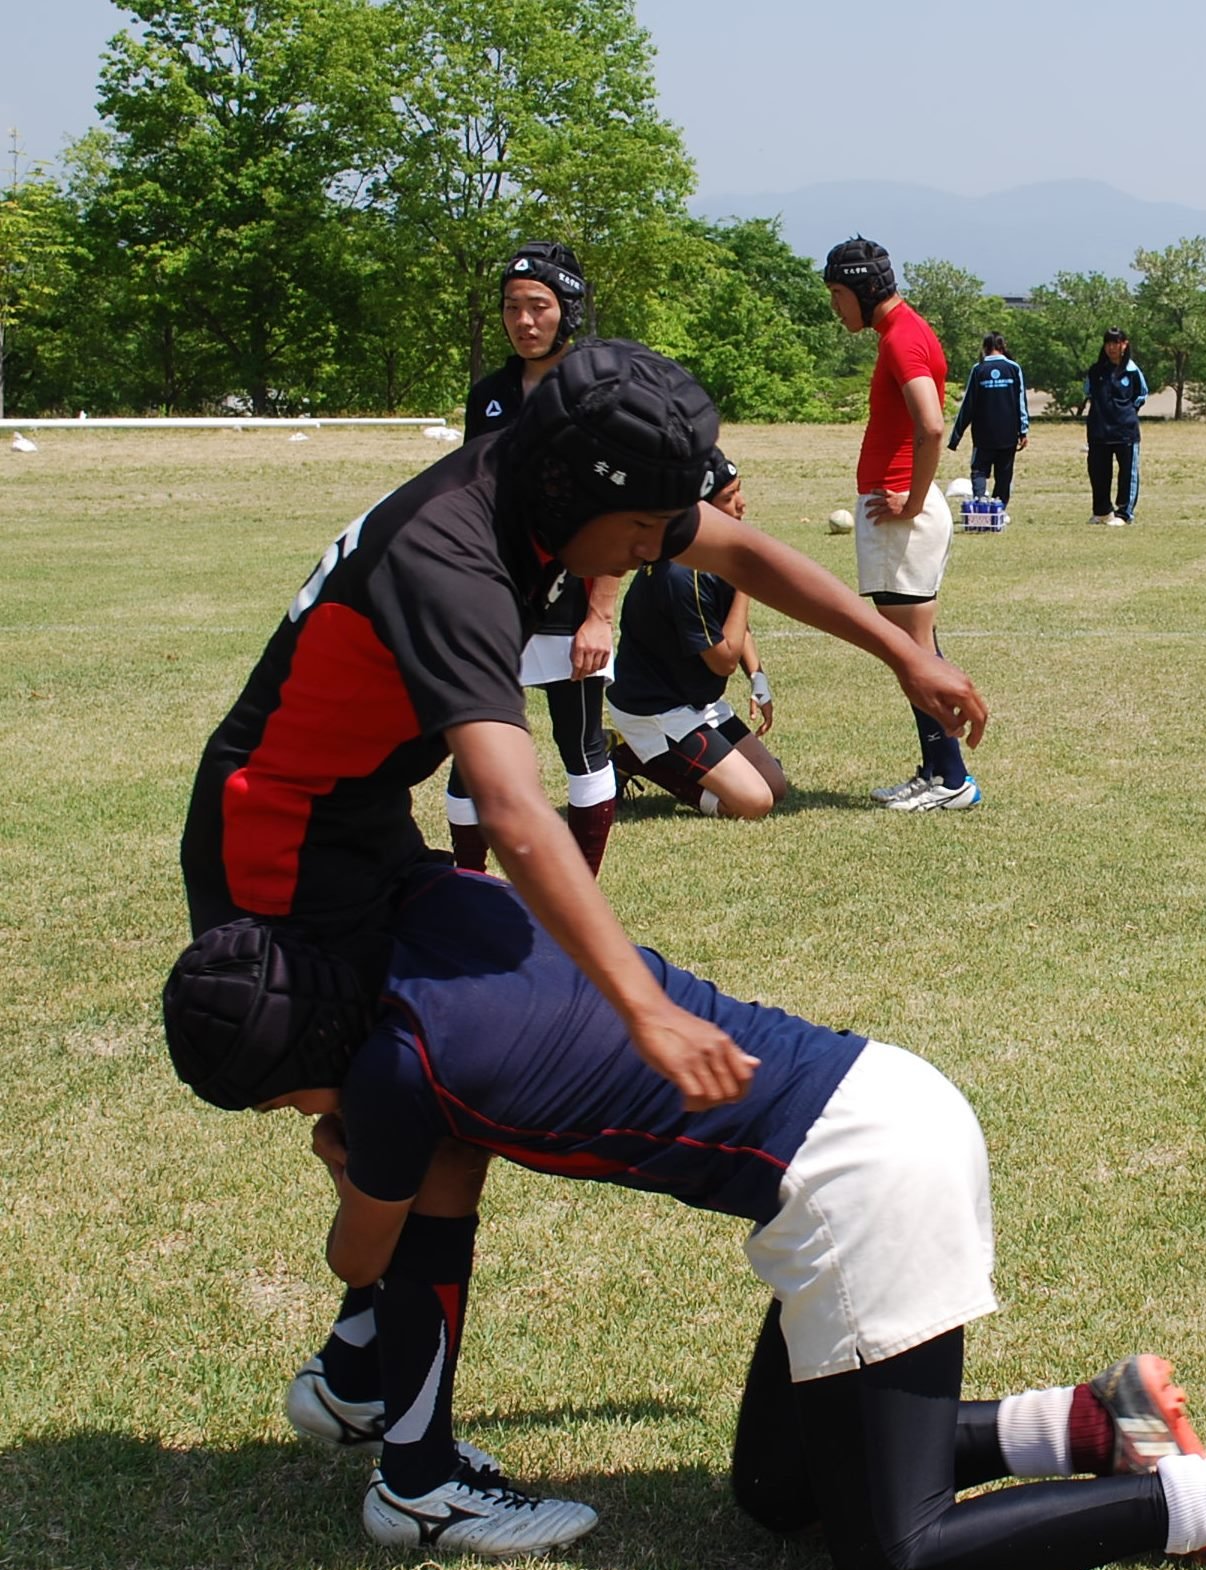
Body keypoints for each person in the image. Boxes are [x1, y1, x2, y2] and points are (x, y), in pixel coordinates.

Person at [158, 872, 1206, 1570]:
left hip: (859, 1179)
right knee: (774, 1492)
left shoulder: (387, 1082)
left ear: (302, 1070)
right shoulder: (439, 908)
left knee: (896, 1560)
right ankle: (1079, 1425)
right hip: (868, 1110)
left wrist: (342, 1157)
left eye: (281, 1108)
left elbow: (356, 1260)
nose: (298, 1123)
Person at [179, 338, 989, 1441]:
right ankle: (405, 1445)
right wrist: (640, 1009)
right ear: (577, 493)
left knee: (432, 1114)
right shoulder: (451, 557)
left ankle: (369, 1365)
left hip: (358, 821)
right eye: (648, 533)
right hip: (276, 854)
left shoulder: (561, 479)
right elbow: (514, 811)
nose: (660, 552)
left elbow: (741, 552)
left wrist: (899, 654)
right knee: (412, 1113)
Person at [451, 242, 622, 875]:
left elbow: (614, 512)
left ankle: (583, 895)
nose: (524, 321)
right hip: (491, 596)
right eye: (511, 308)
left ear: (567, 310)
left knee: (579, 745)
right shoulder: (489, 394)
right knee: (476, 752)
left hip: (570, 598)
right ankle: (467, 887)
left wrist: (599, 615)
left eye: (539, 307)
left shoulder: (596, 391)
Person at [822, 237, 978, 812]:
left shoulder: (901, 339)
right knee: (916, 649)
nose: (836, 307)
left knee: (911, 652)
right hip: (900, 513)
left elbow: (932, 426)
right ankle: (939, 769)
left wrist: (910, 503)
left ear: (863, 290)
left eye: (838, 294)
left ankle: (952, 777)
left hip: (901, 518)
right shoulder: (904, 330)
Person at [607, 450, 791, 819]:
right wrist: (745, 583)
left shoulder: (709, 554)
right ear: (698, 511)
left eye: (740, 491)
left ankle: (645, 753)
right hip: (657, 710)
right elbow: (722, 660)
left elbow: (732, 629)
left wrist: (757, 676)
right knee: (753, 804)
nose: (742, 504)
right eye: (728, 498)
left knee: (775, 785)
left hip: (697, 704)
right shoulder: (681, 573)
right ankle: (632, 755)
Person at [947, 332, 1029, 508]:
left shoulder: (979, 369)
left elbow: (968, 405)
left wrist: (955, 437)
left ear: (985, 347)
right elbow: (1020, 401)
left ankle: (980, 506)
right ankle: (999, 509)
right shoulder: (1014, 368)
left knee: (979, 470)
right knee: (1004, 474)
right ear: (1002, 346)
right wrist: (1023, 431)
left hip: (983, 434)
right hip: (1008, 433)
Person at [1081, 328, 1149, 526]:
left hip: (1125, 430)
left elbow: (1141, 395)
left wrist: (1125, 413)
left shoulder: (1132, 371)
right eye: (1108, 343)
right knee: (1098, 471)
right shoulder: (1096, 370)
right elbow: (1089, 392)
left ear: (1125, 344)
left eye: (1116, 343)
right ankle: (1102, 511)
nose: (1112, 347)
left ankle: (1124, 513)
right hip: (1099, 429)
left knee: (1128, 472)